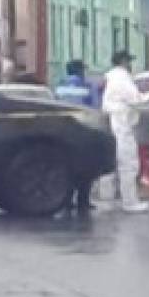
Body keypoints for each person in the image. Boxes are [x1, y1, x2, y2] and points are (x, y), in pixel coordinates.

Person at [101, 51, 149, 214]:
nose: (130, 64)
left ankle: (107, 198)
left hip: (113, 122)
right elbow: (136, 100)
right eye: (129, 61)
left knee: (111, 162)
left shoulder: (111, 78)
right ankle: (130, 202)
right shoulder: (121, 78)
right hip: (122, 123)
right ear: (123, 61)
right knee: (129, 163)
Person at [55, 60, 97, 214]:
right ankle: (83, 201)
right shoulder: (86, 86)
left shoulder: (60, 86)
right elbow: (94, 107)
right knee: (87, 168)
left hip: (62, 131)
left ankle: (66, 200)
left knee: (67, 166)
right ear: (80, 71)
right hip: (84, 130)